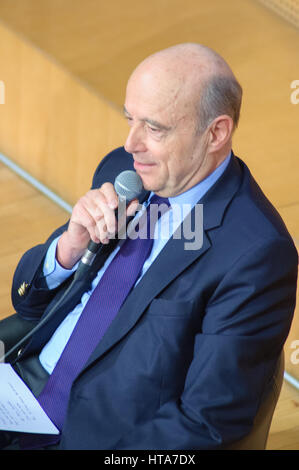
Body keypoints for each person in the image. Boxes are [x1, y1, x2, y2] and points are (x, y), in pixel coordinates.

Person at [1, 43, 298, 450]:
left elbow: (205, 425)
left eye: (154, 128)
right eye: (130, 119)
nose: (130, 143)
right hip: (19, 387)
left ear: (216, 132)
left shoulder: (257, 254)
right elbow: (29, 305)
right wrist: (69, 249)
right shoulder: (125, 171)